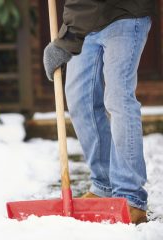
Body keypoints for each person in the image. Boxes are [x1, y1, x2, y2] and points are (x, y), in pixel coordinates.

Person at [43, 0, 154, 224]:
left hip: (125, 13)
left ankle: (130, 197)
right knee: (79, 98)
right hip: (86, 25)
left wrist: (66, 40)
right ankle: (104, 186)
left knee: (118, 98)